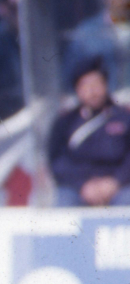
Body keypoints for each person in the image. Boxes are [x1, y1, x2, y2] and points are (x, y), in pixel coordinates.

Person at [48, 58, 130, 207]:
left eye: (96, 84)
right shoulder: (65, 121)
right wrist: (82, 185)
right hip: (78, 188)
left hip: (118, 185)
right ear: (77, 90)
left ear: (106, 85)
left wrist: (116, 181)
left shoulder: (124, 117)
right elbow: (58, 161)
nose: (92, 91)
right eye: (85, 85)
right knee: (64, 203)